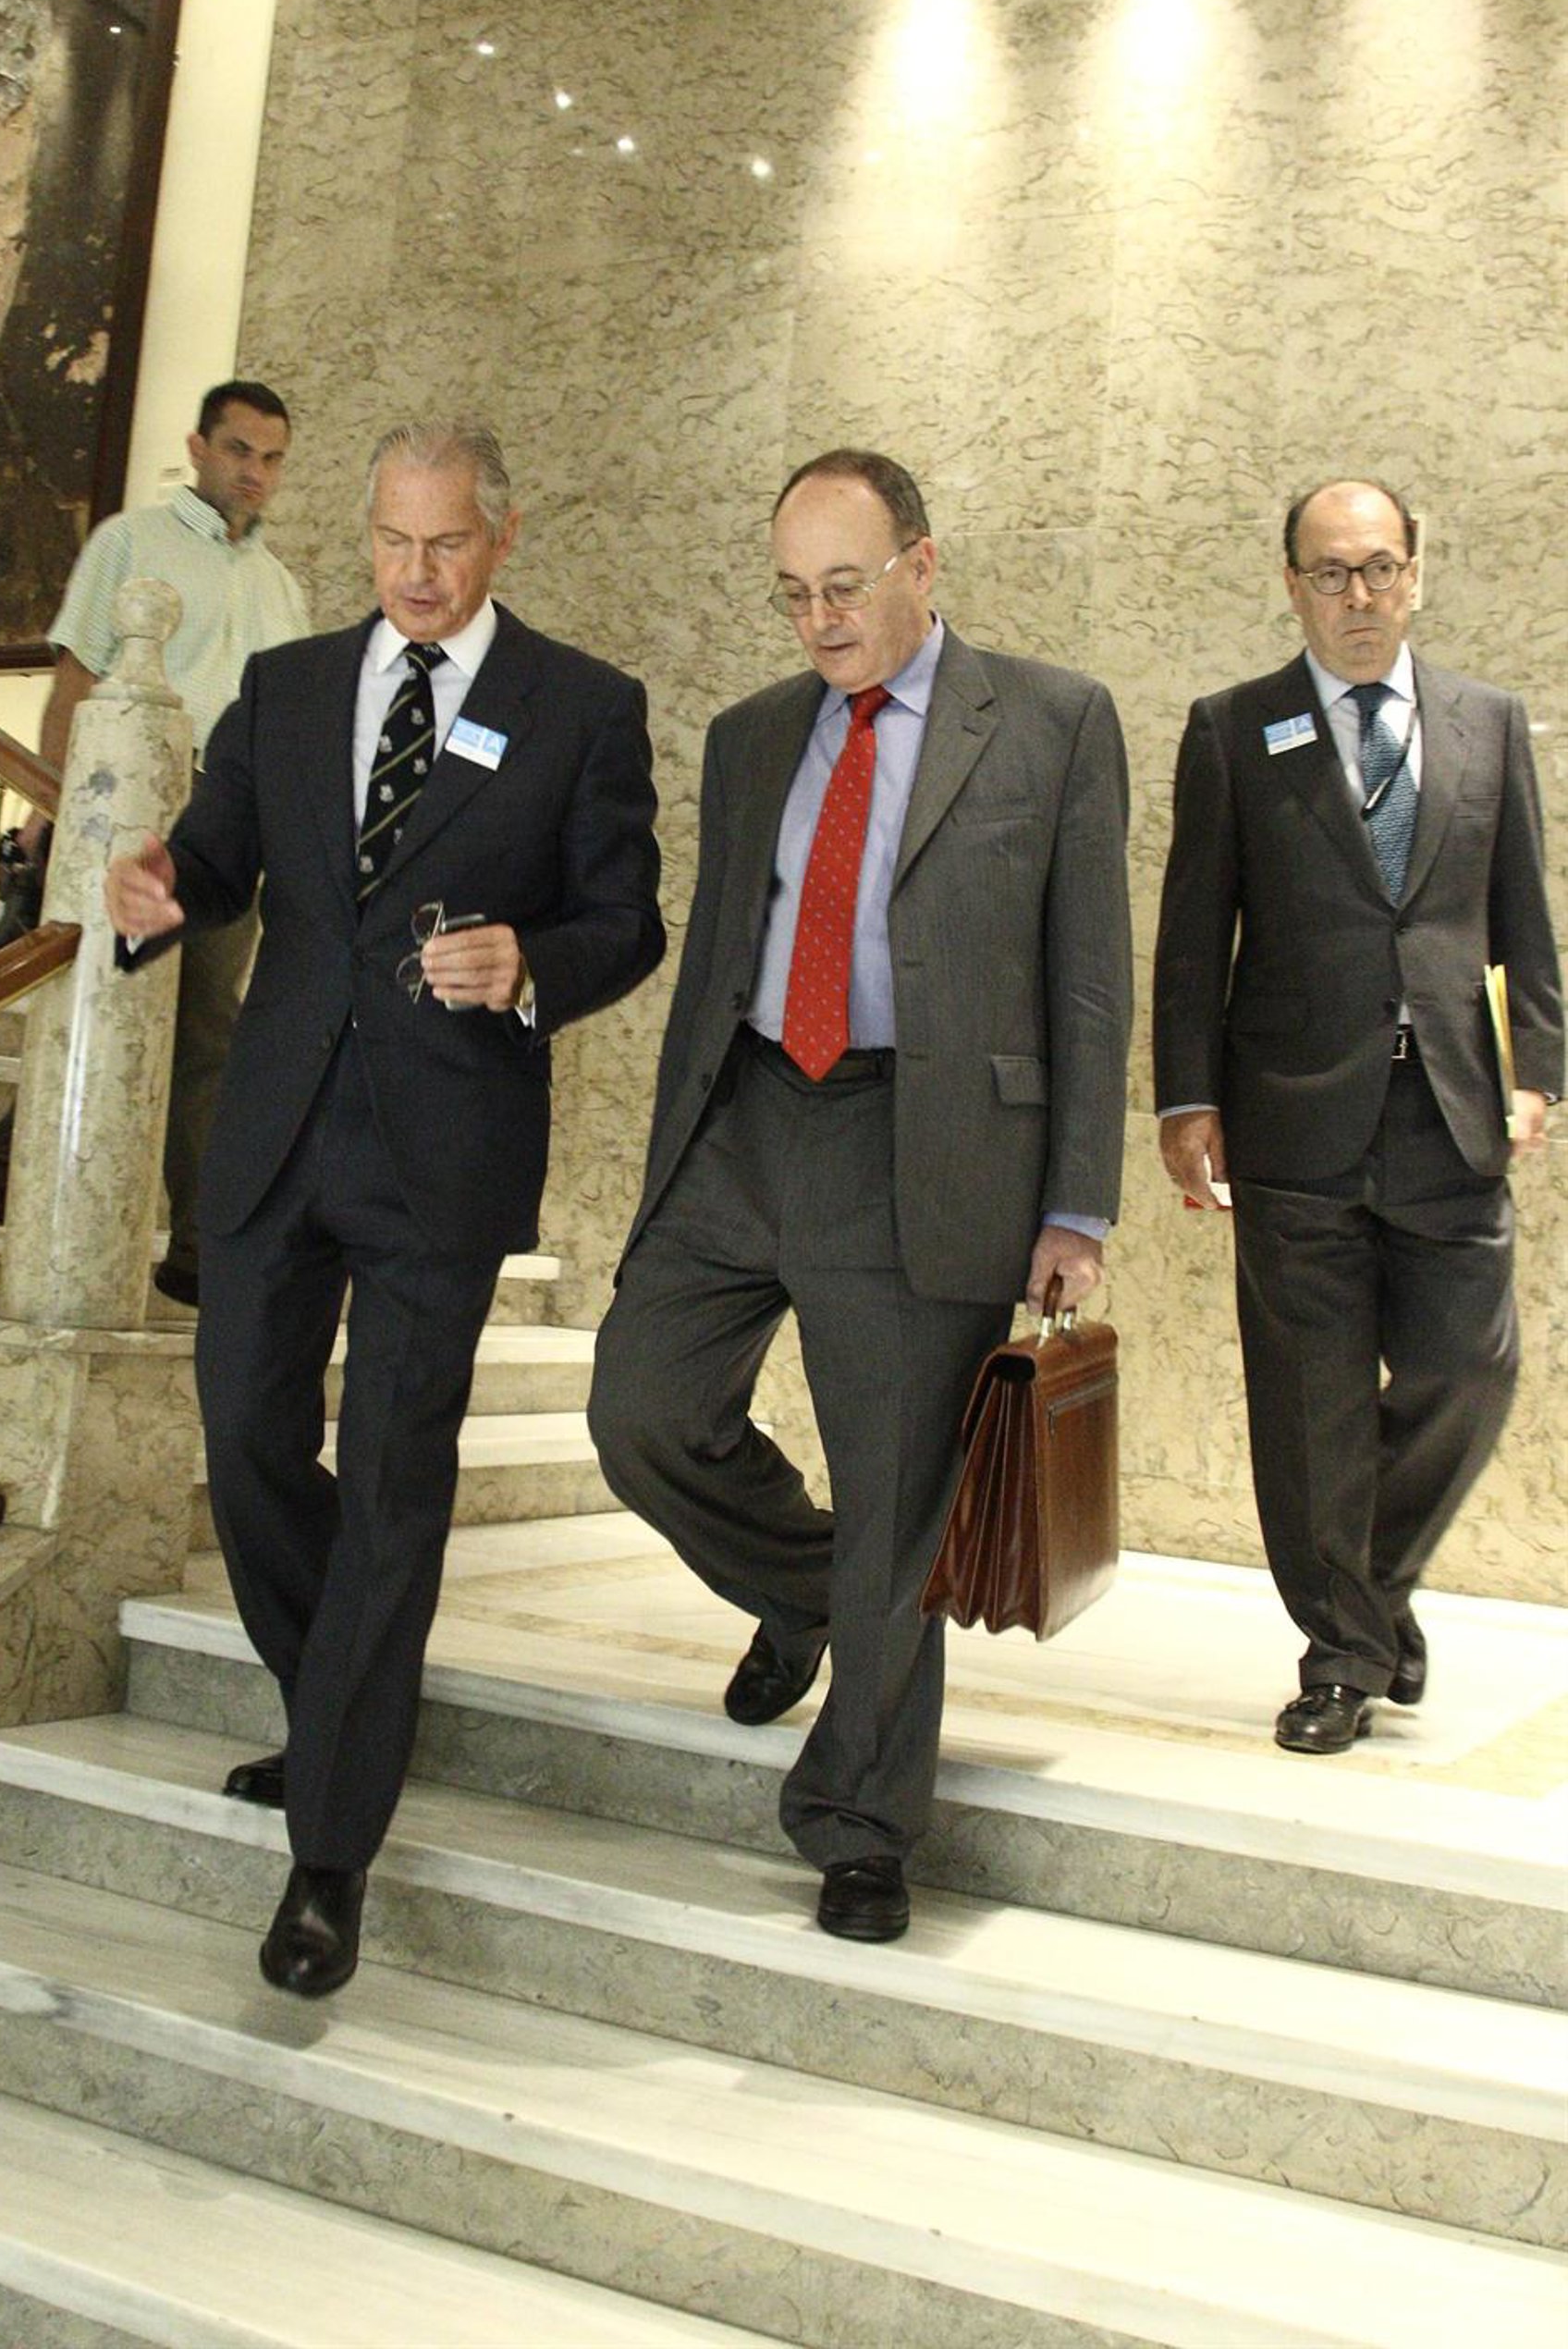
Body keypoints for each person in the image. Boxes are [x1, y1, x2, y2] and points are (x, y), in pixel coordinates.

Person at [106, 421, 664, 1995]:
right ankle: (339, 1704)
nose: (416, 574)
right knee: (243, 1438)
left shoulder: (582, 705)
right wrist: (162, 889)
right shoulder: (287, 687)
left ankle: (329, 1851)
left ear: (503, 535)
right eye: (391, 542)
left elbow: (627, 917)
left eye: (447, 543)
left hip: (444, 1148)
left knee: (397, 1476)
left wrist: (534, 962)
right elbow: (217, 860)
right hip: (276, 1133)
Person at [588, 449, 1131, 1944]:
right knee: (640, 1410)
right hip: (746, 1119)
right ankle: (813, 1590)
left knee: (898, 1494)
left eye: (844, 585)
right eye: (793, 593)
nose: (819, 619)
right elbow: (719, 955)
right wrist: (674, 1144)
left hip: (924, 1141)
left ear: (921, 565)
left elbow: (1091, 978)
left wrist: (1077, 1204)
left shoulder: (1054, 720)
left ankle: (862, 1824)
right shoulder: (751, 735)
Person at [1153, 478, 1562, 1754]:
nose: (1359, 594)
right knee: (1309, 1402)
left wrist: (1540, 1064)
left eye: (1379, 566)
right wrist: (1186, 1095)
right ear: (1292, 584)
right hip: (1290, 1113)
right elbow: (1192, 932)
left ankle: (1369, 1594)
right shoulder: (1234, 728)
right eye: (1330, 571)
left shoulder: (1488, 722)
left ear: (1416, 572)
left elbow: (1524, 911)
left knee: (1469, 1368)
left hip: (1450, 1103)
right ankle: (1341, 1654)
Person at [0, 380, 307, 1307]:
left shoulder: (282, 588)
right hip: (133, 802)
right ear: (198, 447)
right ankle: (17, 1169)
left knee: (204, 1022)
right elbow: (75, 678)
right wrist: (51, 807)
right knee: (105, 991)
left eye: (273, 458)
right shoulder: (130, 542)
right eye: (239, 450)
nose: (255, 473)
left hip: (235, 826)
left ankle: (197, 1241)